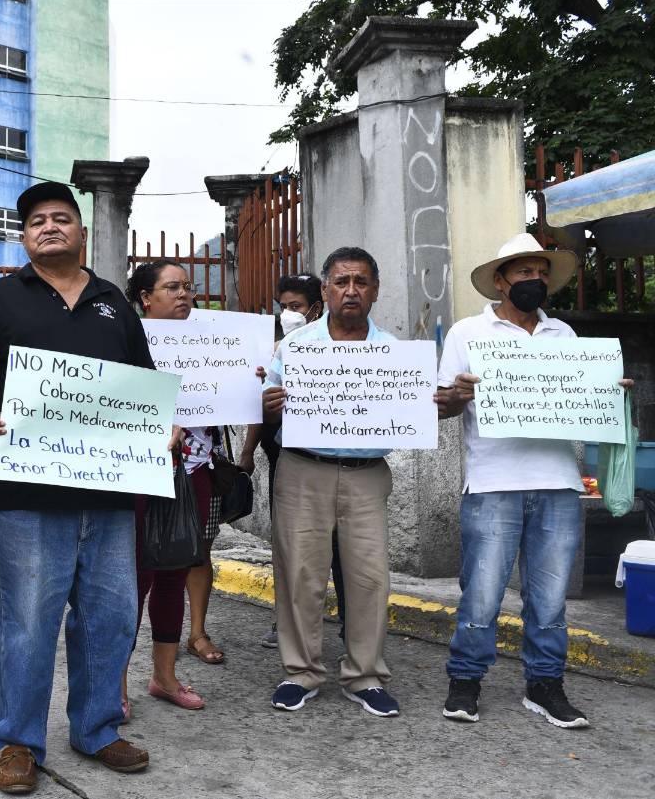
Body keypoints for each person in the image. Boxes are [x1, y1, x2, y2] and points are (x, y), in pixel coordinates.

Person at [0, 182, 160, 794]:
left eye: (62, 218)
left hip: (109, 496)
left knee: (111, 617)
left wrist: (160, 425)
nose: (49, 226)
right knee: (27, 622)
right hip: (27, 495)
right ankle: (17, 740)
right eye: (37, 220)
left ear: (82, 232)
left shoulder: (115, 305)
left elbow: (142, 384)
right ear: (24, 237)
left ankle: (97, 729)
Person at [435, 233, 633, 728]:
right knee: (481, 594)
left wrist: (609, 395)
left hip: (559, 483)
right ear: (500, 281)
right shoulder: (466, 333)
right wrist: (457, 395)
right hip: (491, 483)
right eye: (525, 273)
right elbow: (440, 408)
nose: (536, 281)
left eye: (542, 273)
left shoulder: (563, 336)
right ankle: (466, 681)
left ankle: (545, 686)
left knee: (549, 599)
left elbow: (579, 401)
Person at [261, 247, 426, 718]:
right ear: (326, 290)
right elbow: (264, 399)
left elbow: (413, 413)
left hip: (365, 476)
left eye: (360, 282)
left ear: (375, 290)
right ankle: (301, 672)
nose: (350, 290)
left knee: (370, 577)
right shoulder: (294, 348)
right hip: (301, 470)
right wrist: (269, 404)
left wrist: (429, 405)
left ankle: (365, 675)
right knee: (299, 575)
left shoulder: (396, 354)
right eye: (341, 281)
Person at [121, 261, 212, 715]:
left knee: (176, 569)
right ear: (145, 298)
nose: (183, 296)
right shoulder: (122, 338)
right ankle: (115, 682)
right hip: (135, 472)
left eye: (188, 288)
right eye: (172, 287)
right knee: (133, 577)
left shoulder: (212, 341)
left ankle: (164, 676)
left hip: (192, 469)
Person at [240, 274, 346, 650]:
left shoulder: (334, 345)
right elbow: (258, 406)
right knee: (289, 547)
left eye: (296, 306)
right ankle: (286, 621)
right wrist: (248, 451)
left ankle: (351, 621)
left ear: (316, 306)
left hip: (328, 461)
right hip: (284, 461)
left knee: (340, 548)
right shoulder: (271, 349)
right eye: (282, 305)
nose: (287, 312)